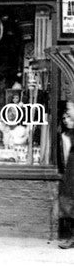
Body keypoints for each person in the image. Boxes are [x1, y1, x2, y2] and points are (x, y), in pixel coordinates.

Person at [58, 101, 74, 249]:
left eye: (69, 111)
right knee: (67, 202)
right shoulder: (66, 135)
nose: (67, 116)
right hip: (70, 172)